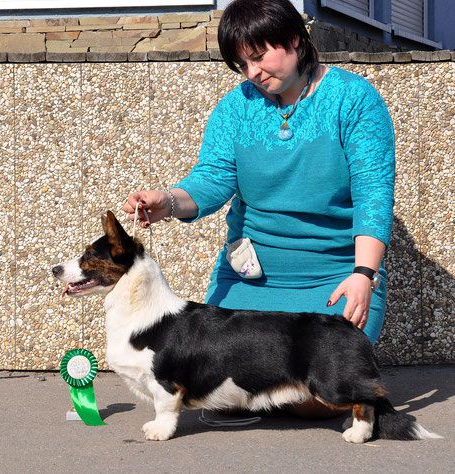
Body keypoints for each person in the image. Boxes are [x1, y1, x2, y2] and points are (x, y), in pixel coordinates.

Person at [123, 0, 395, 418]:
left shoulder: (355, 100)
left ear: (294, 40)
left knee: (314, 401)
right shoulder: (236, 107)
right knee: (216, 391)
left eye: (259, 57)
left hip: (334, 279)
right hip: (252, 281)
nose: (252, 73)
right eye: (241, 64)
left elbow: (374, 194)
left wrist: (363, 275)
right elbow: (212, 179)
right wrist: (169, 200)